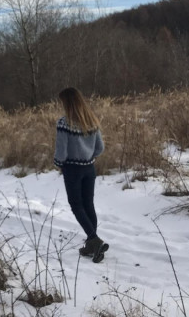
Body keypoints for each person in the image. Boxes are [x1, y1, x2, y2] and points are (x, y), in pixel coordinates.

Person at [54, 87, 108, 263]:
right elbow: (100, 148)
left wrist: (58, 163)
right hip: (89, 168)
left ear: (67, 103)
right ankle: (92, 243)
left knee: (76, 205)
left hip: (72, 170)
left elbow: (61, 152)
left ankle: (94, 239)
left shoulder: (64, 123)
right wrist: (88, 157)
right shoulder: (91, 121)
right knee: (88, 204)